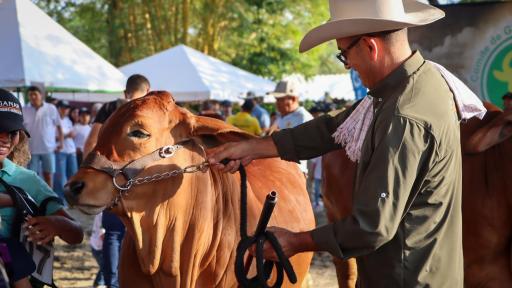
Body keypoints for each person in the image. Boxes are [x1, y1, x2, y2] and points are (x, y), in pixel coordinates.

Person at [207, 1, 477, 286]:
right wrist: (256, 147)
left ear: (371, 47)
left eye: (344, 55)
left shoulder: (403, 115)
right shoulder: (415, 84)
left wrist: (297, 241)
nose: (349, 66)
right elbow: (335, 127)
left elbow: (371, 227)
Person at [0, 89, 84, 288]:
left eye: (11, 133)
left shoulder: (28, 180)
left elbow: (77, 233)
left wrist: (56, 224)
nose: (4, 139)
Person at [83, 74, 150, 288]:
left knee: (112, 232)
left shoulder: (109, 107)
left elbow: (90, 143)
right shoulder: (148, 111)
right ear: (147, 91)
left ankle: (112, 283)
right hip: (141, 181)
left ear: (125, 91)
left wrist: (91, 175)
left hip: (110, 179)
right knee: (139, 232)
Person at [268, 80, 313, 174]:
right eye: (276, 99)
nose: (277, 103)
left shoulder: (303, 118)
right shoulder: (279, 117)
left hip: (296, 172)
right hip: (277, 170)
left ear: (293, 99)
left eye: (280, 99)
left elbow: (306, 147)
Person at [23, 86, 64, 188]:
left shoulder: (51, 108)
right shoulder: (24, 109)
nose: (33, 97)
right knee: (32, 176)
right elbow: (21, 129)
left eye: (35, 94)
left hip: (48, 148)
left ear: (41, 95)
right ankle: (33, 198)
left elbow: (59, 126)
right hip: (31, 149)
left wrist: (61, 143)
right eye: (30, 95)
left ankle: (50, 197)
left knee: (48, 175)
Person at [53, 101, 78, 201]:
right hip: (60, 151)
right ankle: (61, 202)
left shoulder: (68, 120)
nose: (65, 110)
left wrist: (69, 136)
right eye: (63, 108)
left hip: (71, 151)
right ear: (58, 109)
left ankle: (72, 200)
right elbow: (52, 137)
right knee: (61, 179)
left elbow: (72, 135)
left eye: (67, 108)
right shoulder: (54, 120)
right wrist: (67, 135)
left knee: (73, 177)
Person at [90, 213, 105, 288]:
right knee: (106, 266)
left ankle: (99, 283)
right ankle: (99, 283)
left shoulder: (102, 213)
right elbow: (103, 235)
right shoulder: (103, 214)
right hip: (99, 247)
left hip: (97, 245)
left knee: (105, 266)